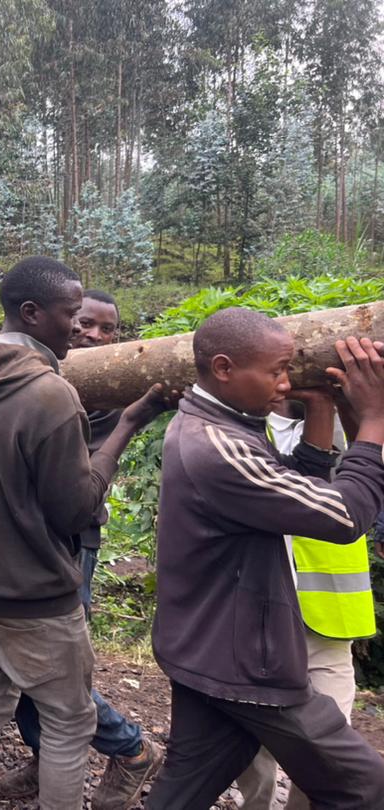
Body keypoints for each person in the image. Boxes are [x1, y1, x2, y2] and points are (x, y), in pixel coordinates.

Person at [0, 257, 172, 810]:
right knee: (68, 722)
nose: (77, 328)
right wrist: (129, 423)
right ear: (32, 314)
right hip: (37, 594)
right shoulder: (50, 394)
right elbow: (76, 510)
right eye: (70, 314)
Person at [145, 309, 384, 808]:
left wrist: (321, 406)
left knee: (182, 793)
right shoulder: (217, 448)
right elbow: (344, 515)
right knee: (365, 786)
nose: (285, 383)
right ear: (225, 368)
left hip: (204, 649)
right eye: (276, 371)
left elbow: (291, 484)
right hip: (246, 665)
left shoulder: (218, 425)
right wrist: (376, 420)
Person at [2, 289, 163, 810]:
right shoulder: (43, 377)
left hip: (70, 538)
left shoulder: (103, 395)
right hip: (19, 534)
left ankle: (132, 750)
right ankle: (43, 753)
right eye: (83, 324)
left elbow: (70, 484)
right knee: (19, 659)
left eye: (107, 329)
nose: (93, 336)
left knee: (52, 663)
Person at [237, 399, 376, 809]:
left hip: (329, 621)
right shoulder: (240, 419)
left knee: (330, 752)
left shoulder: (354, 423)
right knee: (251, 741)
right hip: (254, 613)